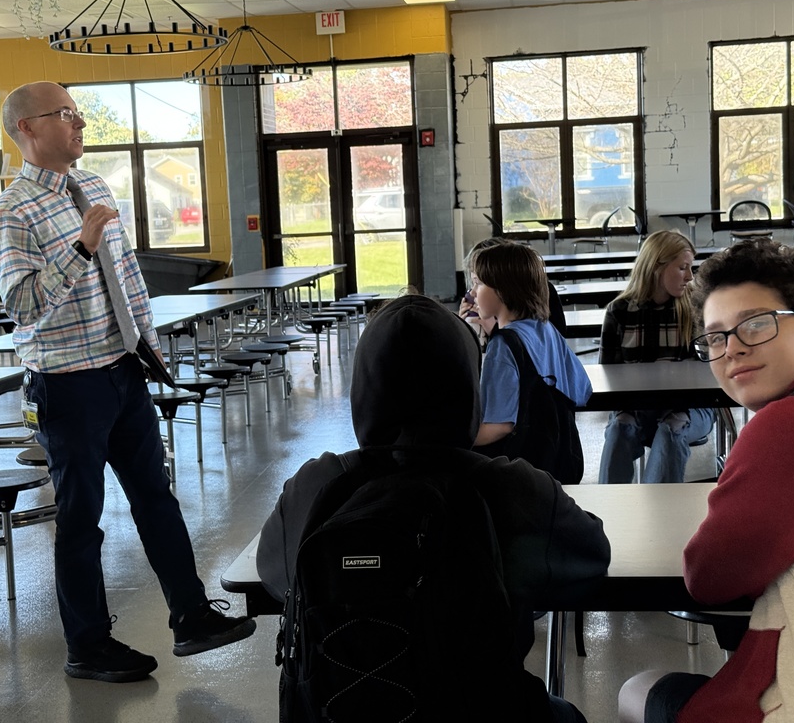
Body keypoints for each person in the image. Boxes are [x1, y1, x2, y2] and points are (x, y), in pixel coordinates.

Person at [0, 81, 255, 684]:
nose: (79, 124)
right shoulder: (12, 210)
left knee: (156, 498)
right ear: (26, 128)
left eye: (78, 114)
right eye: (65, 115)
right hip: (68, 385)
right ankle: (87, 646)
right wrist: (81, 247)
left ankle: (191, 615)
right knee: (81, 519)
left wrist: (149, 355)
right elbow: (22, 305)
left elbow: (128, 282)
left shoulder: (96, 187)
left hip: (123, 371)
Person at [257, 294, 611, 722]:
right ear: (468, 387)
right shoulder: (511, 487)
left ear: (363, 388)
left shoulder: (317, 486)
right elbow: (592, 556)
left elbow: (274, 574)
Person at [618, 239, 794, 722]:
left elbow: (709, 578)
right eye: (715, 337)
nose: (732, 347)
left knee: (636, 690)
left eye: (756, 324)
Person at [597, 230, 714, 483]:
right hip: (637, 407)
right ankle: (607, 514)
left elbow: (712, 368)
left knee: (671, 429)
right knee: (619, 429)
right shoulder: (619, 311)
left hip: (690, 407)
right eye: (683, 267)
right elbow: (608, 377)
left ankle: (659, 513)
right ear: (656, 267)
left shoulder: (696, 307)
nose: (690, 276)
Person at [469, 239, 591, 451]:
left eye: (478, 283)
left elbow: (500, 425)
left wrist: (456, 442)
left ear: (502, 290)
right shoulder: (546, 329)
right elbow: (581, 390)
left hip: (519, 468)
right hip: (559, 454)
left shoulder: (503, 345)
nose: (472, 292)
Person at [459, 237, 567, 344]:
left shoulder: (541, 292)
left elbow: (557, 337)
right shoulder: (476, 296)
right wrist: (462, 326)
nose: (473, 292)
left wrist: (496, 330)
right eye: (474, 282)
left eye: (479, 282)